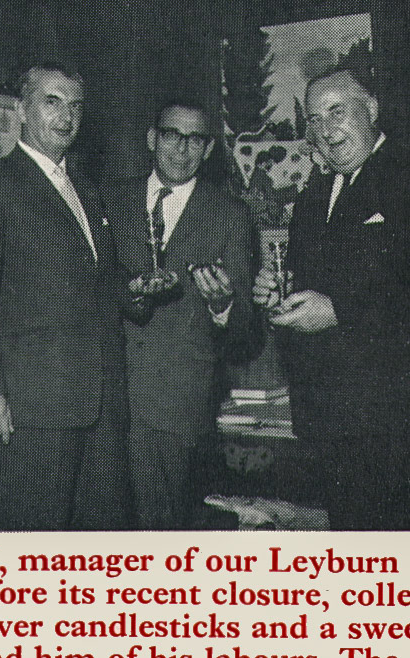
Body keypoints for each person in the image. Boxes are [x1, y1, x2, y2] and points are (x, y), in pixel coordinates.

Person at [253, 68, 410, 530]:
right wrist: (280, 295)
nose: (325, 130)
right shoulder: (314, 198)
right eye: (313, 119)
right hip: (336, 430)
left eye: (338, 112)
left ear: (371, 109)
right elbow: (312, 286)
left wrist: (339, 313)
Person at [0, 62, 133, 530]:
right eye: (52, 102)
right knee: (36, 538)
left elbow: (97, 288)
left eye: (75, 106)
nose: (65, 116)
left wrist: (139, 290)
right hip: (32, 409)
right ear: (22, 112)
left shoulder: (88, 192)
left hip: (100, 405)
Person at [103, 100, 262, 529]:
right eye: (173, 135)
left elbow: (247, 331)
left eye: (196, 140)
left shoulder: (230, 215)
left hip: (177, 405)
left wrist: (222, 305)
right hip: (103, 397)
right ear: (152, 139)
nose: (182, 149)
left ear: (208, 150)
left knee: (164, 529)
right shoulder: (107, 201)